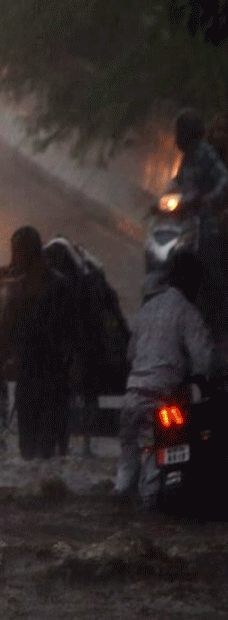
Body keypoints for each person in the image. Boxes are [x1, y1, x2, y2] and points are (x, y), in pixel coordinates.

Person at [115, 249, 213, 508]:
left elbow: (130, 353)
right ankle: (147, 534)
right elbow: (204, 362)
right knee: (151, 484)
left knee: (125, 472)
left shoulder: (147, 309)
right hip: (158, 405)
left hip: (131, 398)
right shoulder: (187, 312)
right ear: (191, 280)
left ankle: (115, 518)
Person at [3, 225, 83, 459]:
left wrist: (75, 364)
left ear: (29, 253)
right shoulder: (17, 291)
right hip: (28, 378)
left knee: (49, 447)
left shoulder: (60, 287)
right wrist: (11, 358)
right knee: (27, 450)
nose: (14, 259)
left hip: (55, 378)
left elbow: (74, 330)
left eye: (17, 252)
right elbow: (11, 332)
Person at [173, 108, 228, 337]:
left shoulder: (206, 154)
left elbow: (224, 180)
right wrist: (160, 201)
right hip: (190, 223)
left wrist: (211, 199)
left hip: (208, 222)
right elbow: (176, 183)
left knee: (210, 262)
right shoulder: (187, 158)